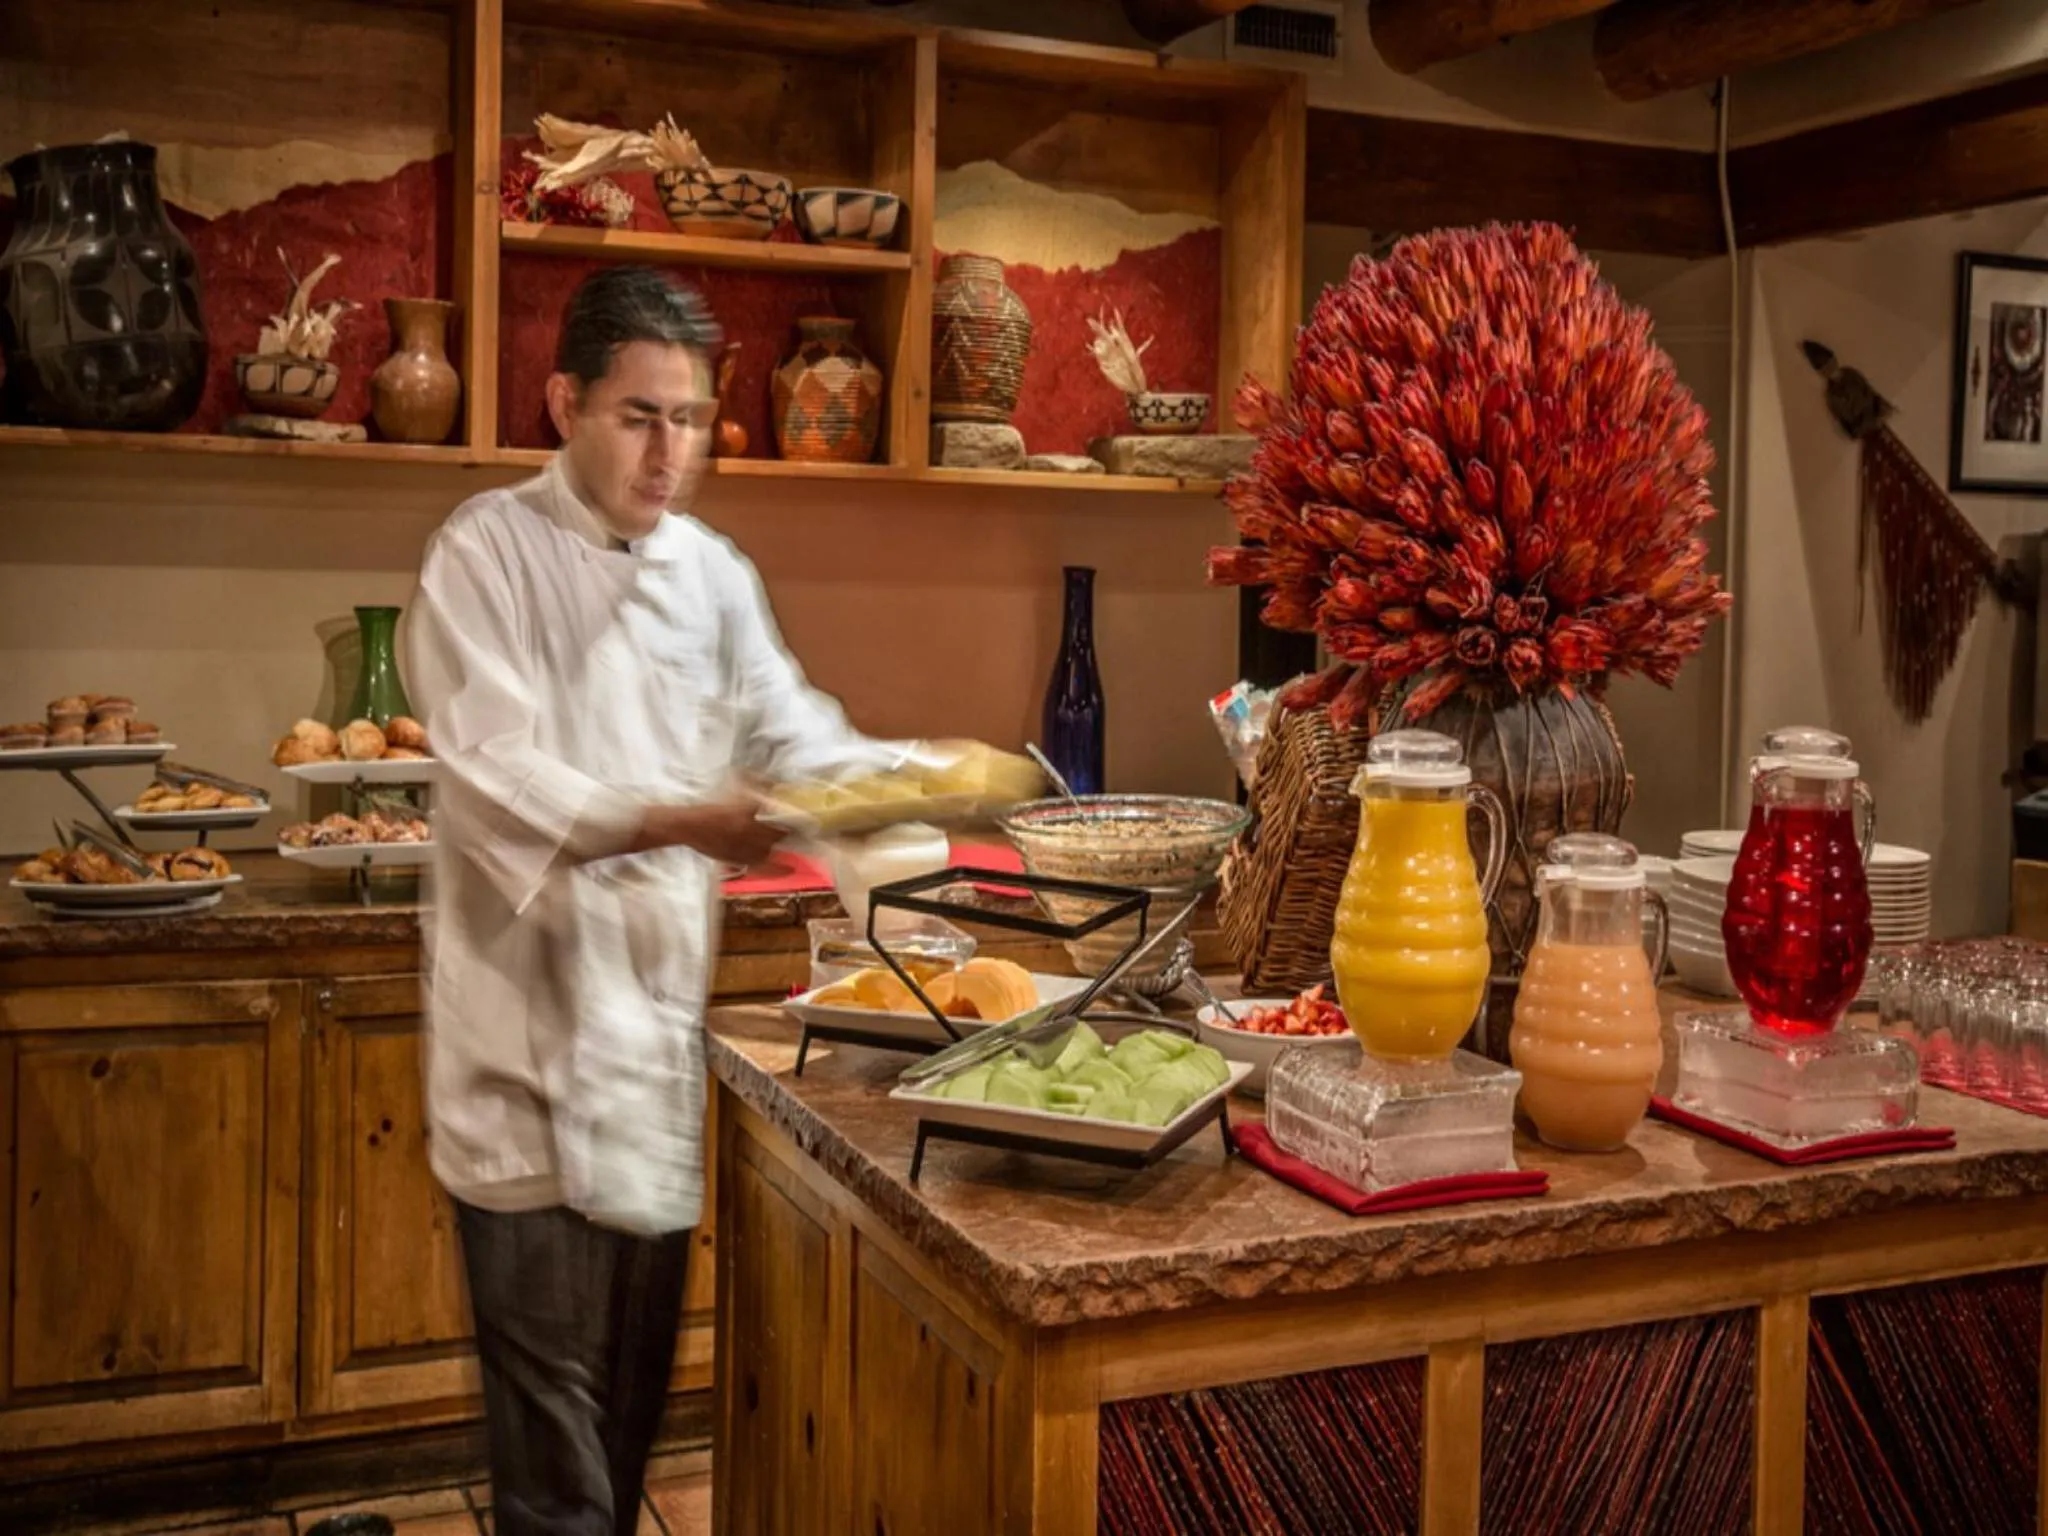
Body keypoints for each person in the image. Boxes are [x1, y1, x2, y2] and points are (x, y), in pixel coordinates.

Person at [402, 266, 895, 1535]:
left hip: (647, 1074)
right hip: (518, 1075)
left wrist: (914, 811)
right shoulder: (483, 555)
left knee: (619, 1456)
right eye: (637, 415)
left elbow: (796, 734)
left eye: (688, 419)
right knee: (556, 1477)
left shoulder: (713, 574)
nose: (669, 451)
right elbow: (498, 776)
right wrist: (686, 820)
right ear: (565, 400)